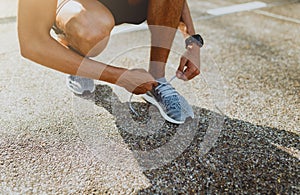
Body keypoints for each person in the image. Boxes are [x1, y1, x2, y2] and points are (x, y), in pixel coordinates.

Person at [17, 0, 203, 124]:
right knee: (89, 29)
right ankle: (76, 57)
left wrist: (193, 43)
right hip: (84, 10)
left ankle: (157, 78)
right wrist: (120, 77)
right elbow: (32, 42)